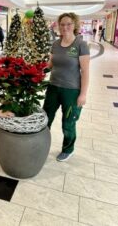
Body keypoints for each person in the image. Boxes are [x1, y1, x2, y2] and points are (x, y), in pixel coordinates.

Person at [43, 12, 90, 162]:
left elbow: (85, 71)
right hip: (53, 87)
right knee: (45, 118)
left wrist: (83, 94)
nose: (65, 27)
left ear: (75, 25)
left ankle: (68, 149)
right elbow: (50, 65)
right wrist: (35, 71)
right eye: (62, 24)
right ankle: (41, 145)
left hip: (71, 90)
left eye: (68, 24)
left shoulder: (81, 45)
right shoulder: (55, 44)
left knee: (68, 122)